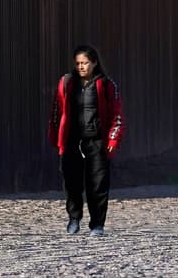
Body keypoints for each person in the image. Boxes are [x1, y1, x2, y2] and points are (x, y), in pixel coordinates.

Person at [48, 43, 124, 237]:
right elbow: (56, 111)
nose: (81, 67)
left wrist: (112, 141)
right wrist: (55, 137)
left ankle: (97, 224)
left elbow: (117, 115)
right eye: (78, 63)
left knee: (97, 184)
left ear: (95, 63)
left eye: (85, 63)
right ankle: (74, 218)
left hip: (97, 141)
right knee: (72, 183)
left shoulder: (107, 85)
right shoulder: (66, 83)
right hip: (72, 141)